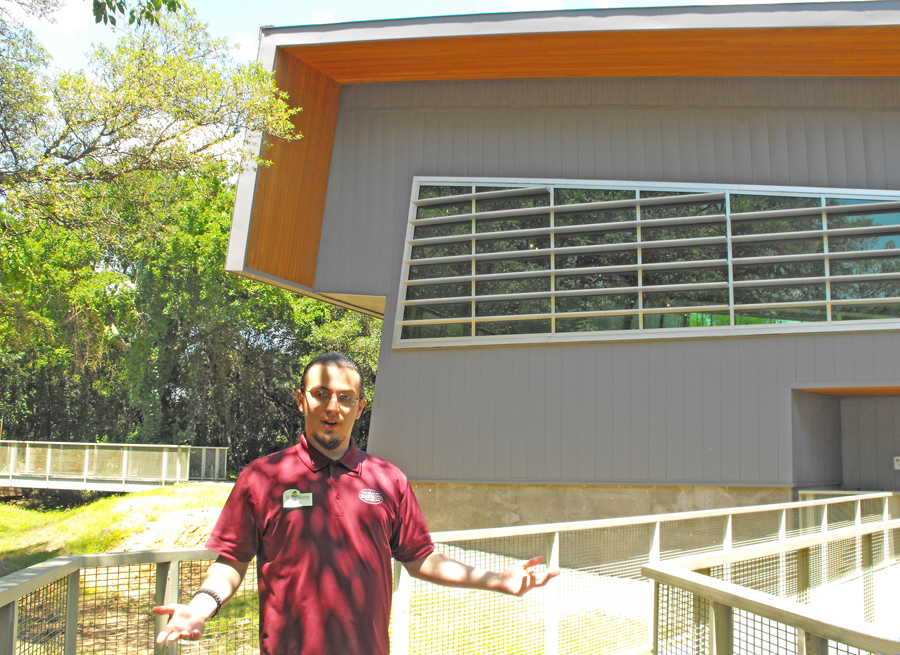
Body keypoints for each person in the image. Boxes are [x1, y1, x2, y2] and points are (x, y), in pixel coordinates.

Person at [153, 352, 557, 655]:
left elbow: (421, 560)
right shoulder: (262, 477)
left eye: (346, 398)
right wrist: (202, 606)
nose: (333, 407)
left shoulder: (389, 479)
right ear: (301, 400)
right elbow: (231, 562)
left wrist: (498, 580)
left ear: (360, 407)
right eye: (321, 394)